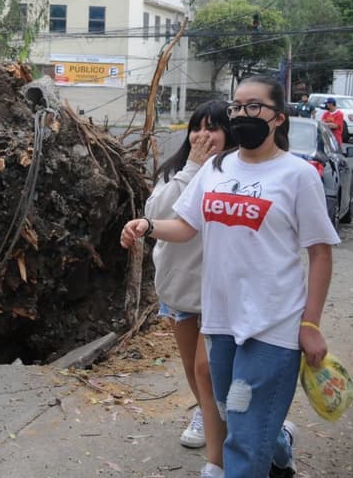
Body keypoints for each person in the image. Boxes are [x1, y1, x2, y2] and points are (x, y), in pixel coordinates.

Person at [121, 76, 337, 478]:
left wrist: (310, 324)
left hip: (273, 326)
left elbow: (320, 254)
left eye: (254, 106)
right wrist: (146, 225)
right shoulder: (216, 168)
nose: (242, 114)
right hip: (221, 323)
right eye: (237, 106)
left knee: (243, 435)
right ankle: (279, 446)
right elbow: (186, 226)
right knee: (232, 411)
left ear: (278, 119)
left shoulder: (298, 175)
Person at [145, 100, 234, 477]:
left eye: (212, 128)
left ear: (229, 134)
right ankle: (209, 415)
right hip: (181, 286)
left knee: (206, 368)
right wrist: (192, 169)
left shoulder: (236, 172)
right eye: (196, 128)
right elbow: (157, 214)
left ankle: (227, 439)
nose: (202, 135)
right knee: (191, 366)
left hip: (220, 291)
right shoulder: (176, 171)